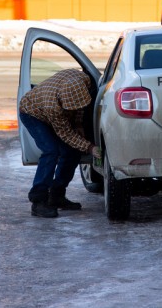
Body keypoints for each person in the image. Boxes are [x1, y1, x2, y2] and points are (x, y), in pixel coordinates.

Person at [18, 68, 102, 218]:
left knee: (72, 152)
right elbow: (66, 134)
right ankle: (38, 201)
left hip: (50, 106)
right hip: (32, 113)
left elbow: (79, 110)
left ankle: (57, 195)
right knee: (51, 150)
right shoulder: (54, 107)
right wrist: (90, 148)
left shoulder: (83, 80)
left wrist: (78, 126)